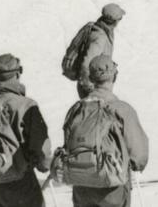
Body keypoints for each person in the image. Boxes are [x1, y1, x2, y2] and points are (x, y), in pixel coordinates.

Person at [58, 56, 149, 207]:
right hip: (112, 187)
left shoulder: (76, 109)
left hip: (81, 186)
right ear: (114, 76)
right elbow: (139, 156)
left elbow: (68, 144)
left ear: (91, 78)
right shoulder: (122, 109)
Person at [0, 54, 53, 207]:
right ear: (18, 73)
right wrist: (45, 165)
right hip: (20, 183)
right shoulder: (26, 105)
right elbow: (40, 147)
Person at [64, 3, 126, 98]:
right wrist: (90, 87)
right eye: (119, 19)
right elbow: (86, 63)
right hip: (94, 86)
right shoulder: (100, 38)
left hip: (96, 83)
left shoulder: (98, 28)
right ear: (113, 21)